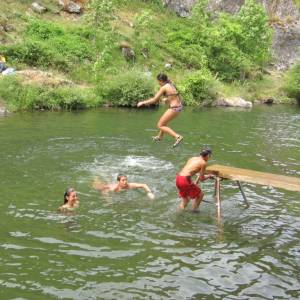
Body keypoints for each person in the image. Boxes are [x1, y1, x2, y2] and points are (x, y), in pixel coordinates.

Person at [137, 73, 183, 148]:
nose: (158, 83)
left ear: (161, 80)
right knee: (164, 123)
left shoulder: (164, 87)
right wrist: (167, 99)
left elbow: (154, 100)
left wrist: (143, 102)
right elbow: (175, 96)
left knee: (160, 125)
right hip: (178, 107)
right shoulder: (171, 84)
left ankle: (177, 137)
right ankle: (160, 137)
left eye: (158, 81)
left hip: (174, 108)